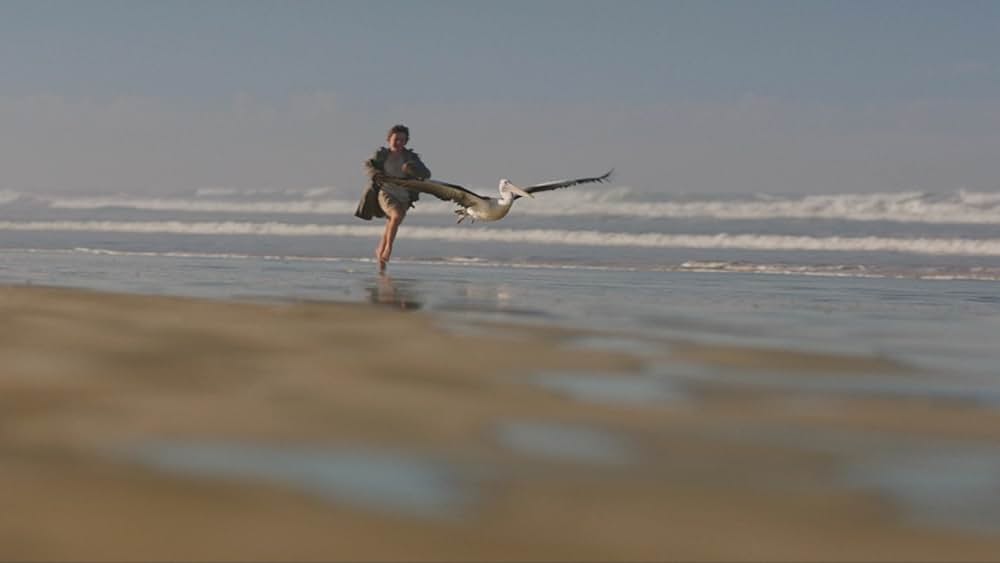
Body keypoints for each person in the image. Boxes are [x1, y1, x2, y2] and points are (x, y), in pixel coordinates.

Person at [354, 124, 431, 271]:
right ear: (389, 139)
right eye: (396, 139)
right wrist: (375, 174)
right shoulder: (381, 155)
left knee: (392, 223)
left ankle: (380, 253)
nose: (399, 143)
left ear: (406, 141)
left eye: (402, 140)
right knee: (396, 216)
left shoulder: (411, 157)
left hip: (404, 195)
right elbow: (367, 166)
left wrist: (413, 169)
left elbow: (426, 174)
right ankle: (388, 248)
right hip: (386, 192)